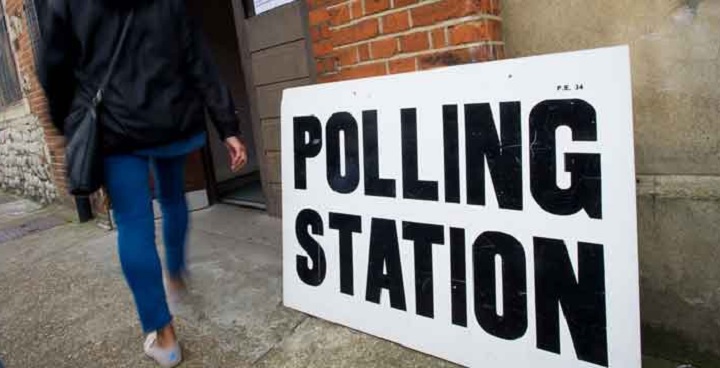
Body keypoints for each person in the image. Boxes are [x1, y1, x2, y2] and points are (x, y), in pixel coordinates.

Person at [39, 0, 248, 366]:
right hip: (172, 117)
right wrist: (227, 127)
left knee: (133, 223)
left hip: (114, 126)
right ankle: (176, 274)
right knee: (172, 200)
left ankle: (165, 340)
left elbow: (53, 67)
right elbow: (198, 59)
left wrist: (69, 123)